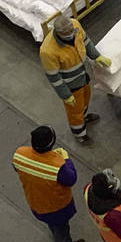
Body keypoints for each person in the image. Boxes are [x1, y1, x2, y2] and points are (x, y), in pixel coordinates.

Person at [40, 16, 110, 145]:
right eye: (66, 34)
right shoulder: (48, 51)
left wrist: (96, 56)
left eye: (71, 31)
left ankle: (83, 118)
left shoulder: (75, 25)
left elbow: (86, 41)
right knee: (74, 112)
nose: (70, 35)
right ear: (58, 32)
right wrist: (66, 95)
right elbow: (53, 77)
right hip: (70, 85)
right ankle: (80, 134)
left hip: (83, 75)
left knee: (85, 99)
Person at [12, 125, 85, 242]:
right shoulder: (58, 165)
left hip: (36, 203)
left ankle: (54, 232)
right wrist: (66, 159)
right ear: (51, 144)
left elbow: (17, 168)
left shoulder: (20, 153)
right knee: (62, 232)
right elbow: (71, 179)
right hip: (56, 208)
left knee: (53, 226)